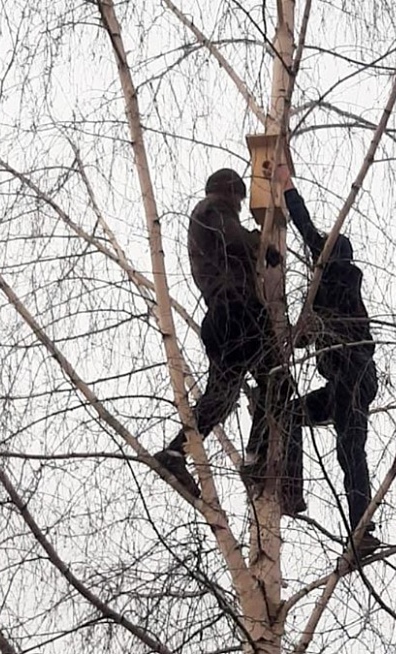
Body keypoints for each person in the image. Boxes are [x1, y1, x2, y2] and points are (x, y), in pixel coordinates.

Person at [153, 169, 287, 497]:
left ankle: (175, 453)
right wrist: (261, 243)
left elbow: (230, 243)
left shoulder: (203, 219)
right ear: (229, 191)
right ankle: (254, 459)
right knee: (277, 382)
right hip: (240, 310)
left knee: (223, 396)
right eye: (239, 200)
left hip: (222, 315)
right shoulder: (213, 208)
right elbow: (233, 237)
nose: (239, 207)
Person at [275, 164, 380, 556]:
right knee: (292, 415)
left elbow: (308, 231)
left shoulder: (338, 277)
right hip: (346, 380)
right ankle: (292, 495)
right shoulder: (333, 291)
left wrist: (287, 188)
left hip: (352, 374)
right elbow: (308, 336)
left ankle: (359, 528)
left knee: (349, 449)